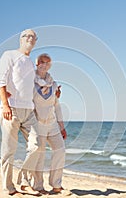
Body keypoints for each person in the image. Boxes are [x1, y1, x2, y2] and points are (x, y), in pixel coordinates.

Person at [0, 29, 41, 196]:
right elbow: (0, 80)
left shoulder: (30, 62)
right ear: (21, 39)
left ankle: (23, 181)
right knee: (9, 150)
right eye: (27, 36)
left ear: (35, 41)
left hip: (29, 110)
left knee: (37, 145)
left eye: (33, 37)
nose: (30, 38)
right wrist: (5, 105)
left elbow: (31, 86)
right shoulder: (9, 55)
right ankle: (8, 187)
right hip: (12, 109)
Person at [32, 53, 71, 196]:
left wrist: (62, 126)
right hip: (37, 124)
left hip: (53, 124)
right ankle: (38, 186)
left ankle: (56, 185)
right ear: (36, 64)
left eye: (48, 63)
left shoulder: (53, 84)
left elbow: (57, 106)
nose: (45, 65)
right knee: (39, 155)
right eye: (42, 62)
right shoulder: (31, 82)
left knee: (60, 150)